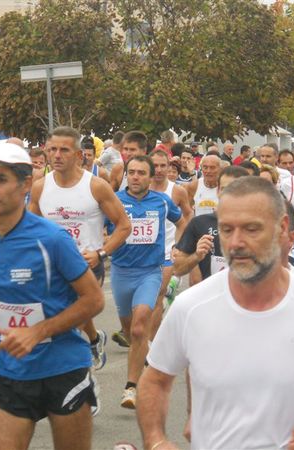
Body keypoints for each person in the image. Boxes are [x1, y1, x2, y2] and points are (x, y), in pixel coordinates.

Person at [137, 176, 294, 450]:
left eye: (251, 229)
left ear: (282, 228)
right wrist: (157, 441)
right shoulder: (191, 306)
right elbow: (155, 381)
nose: (235, 243)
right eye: (227, 229)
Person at [0, 146, 104, 450]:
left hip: (62, 367)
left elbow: (94, 300)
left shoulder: (51, 238)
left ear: (25, 185)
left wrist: (38, 331)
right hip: (10, 368)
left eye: (0, 179)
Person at [29, 127, 131, 375]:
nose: (57, 155)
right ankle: (95, 340)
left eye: (64, 150)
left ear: (78, 155)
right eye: (52, 149)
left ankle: (80, 381)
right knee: (66, 321)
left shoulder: (96, 186)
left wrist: (101, 253)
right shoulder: (40, 187)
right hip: (52, 268)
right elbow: (30, 229)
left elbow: (124, 226)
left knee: (69, 323)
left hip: (86, 265)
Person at [107, 155, 185, 410]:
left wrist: (178, 247)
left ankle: (131, 387)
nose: (136, 177)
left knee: (141, 326)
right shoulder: (116, 201)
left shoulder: (162, 201)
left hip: (150, 272)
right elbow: (103, 227)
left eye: (141, 172)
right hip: (121, 272)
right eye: (132, 172)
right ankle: (143, 355)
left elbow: (182, 221)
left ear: (151, 177)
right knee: (130, 332)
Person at [174, 166, 249, 281]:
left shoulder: (259, 226)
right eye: (225, 189)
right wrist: (196, 256)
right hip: (214, 294)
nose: (230, 194)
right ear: (218, 191)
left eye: (236, 189)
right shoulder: (199, 223)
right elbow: (177, 269)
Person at [147, 150, 192, 342]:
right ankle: (142, 336)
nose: (158, 170)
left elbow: (188, 214)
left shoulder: (177, 191)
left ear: (169, 167)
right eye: (154, 166)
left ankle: (150, 341)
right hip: (142, 251)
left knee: (158, 295)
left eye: (162, 166)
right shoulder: (140, 186)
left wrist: (179, 243)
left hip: (166, 250)